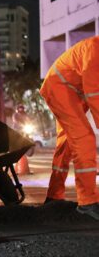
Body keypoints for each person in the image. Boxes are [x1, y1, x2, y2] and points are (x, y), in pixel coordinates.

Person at [40, 35, 99, 220]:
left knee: (67, 144)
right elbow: (95, 94)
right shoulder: (94, 50)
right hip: (60, 88)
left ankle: (53, 196)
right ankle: (87, 201)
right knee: (84, 138)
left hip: (71, 91)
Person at [12, 104, 33, 175]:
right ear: (17, 109)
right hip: (17, 133)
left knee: (24, 152)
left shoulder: (25, 115)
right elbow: (15, 121)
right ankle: (15, 170)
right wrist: (21, 125)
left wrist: (30, 124)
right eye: (19, 108)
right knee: (17, 152)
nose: (21, 109)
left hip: (24, 133)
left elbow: (29, 121)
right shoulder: (15, 115)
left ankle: (26, 170)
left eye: (22, 108)